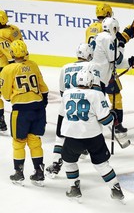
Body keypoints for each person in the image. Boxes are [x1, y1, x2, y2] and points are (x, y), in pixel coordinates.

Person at [59, 68, 125, 202]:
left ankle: (74, 188)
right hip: (93, 137)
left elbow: (63, 113)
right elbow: (105, 120)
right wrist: (113, 115)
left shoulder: (67, 94)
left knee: (69, 161)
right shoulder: (96, 94)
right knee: (102, 165)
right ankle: (115, 189)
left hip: (72, 136)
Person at [0, 40, 49, 186]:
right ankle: (39, 172)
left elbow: (6, 94)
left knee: (19, 142)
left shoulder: (8, 69)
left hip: (21, 111)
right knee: (35, 141)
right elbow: (43, 87)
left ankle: (19, 172)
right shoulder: (33, 65)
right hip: (38, 108)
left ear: (12, 53)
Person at [86, 3, 134, 137]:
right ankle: (116, 123)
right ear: (108, 14)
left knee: (95, 98)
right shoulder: (107, 31)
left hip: (91, 69)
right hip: (105, 69)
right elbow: (115, 52)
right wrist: (126, 36)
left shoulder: (90, 28)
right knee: (115, 95)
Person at [45, 43, 94, 178]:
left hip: (66, 106)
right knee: (89, 133)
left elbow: (62, 90)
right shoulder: (90, 66)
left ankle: (55, 163)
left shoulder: (65, 67)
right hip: (84, 107)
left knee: (60, 136)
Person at [0, 10, 23, 132]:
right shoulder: (14, 29)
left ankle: (0, 121)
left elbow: (10, 55)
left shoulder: (1, 34)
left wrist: (12, 69)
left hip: (4, 67)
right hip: (20, 63)